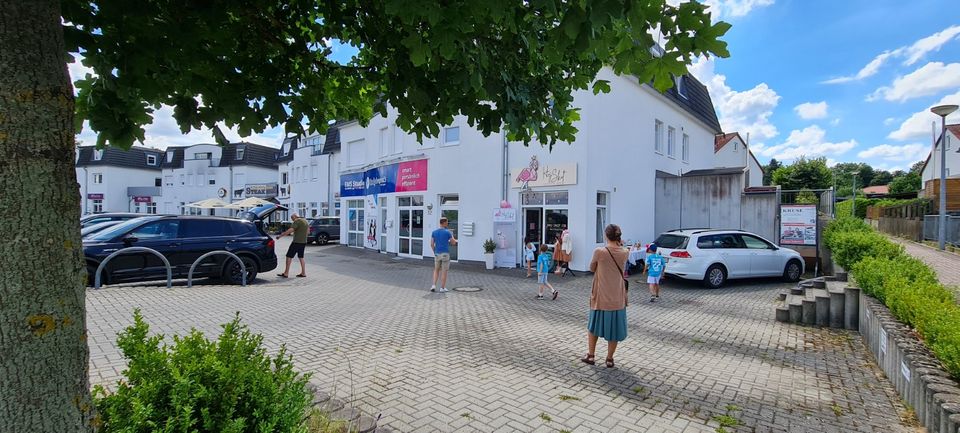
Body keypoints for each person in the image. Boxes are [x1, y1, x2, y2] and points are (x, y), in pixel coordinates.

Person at [582, 224, 629, 369]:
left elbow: (592, 268)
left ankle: (591, 355)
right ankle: (609, 359)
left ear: (606, 235)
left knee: (593, 327)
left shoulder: (599, 251)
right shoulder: (625, 251)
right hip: (617, 296)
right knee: (614, 330)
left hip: (600, 295)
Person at [430, 217, 458, 292]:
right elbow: (453, 242)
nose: (447, 223)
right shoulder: (447, 232)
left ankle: (433, 285)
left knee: (436, 270)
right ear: (444, 223)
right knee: (444, 271)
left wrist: (434, 252)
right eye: (447, 222)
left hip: (437, 254)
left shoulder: (434, 232)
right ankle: (442, 288)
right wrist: (454, 239)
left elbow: (432, 244)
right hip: (445, 254)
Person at [277, 213, 309, 278]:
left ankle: (286, 273)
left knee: (288, 256)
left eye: (292, 218)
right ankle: (303, 273)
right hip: (303, 242)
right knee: (301, 257)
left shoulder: (297, 221)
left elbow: (290, 230)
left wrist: (280, 236)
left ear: (295, 217)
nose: (292, 220)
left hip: (296, 242)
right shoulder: (305, 221)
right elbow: (308, 232)